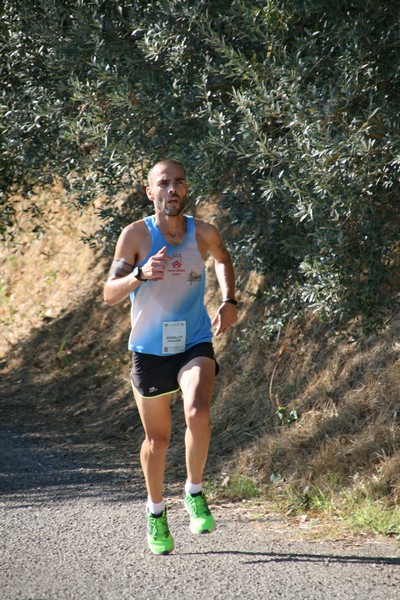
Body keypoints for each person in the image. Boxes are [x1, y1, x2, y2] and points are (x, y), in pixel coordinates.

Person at [103, 158, 237, 555]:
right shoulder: (135, 236)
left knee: (197, 410)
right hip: (149, 350)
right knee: (157, 441)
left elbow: (223, 259)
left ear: (187, 188)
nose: (172, 189)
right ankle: (156, 512)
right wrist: (140, 274)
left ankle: (194, 490)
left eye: (179, 182)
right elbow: (109, 294)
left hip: (194, 340)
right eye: (163, 183)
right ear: (151, 192)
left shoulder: (203, 232)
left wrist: (229, 300)